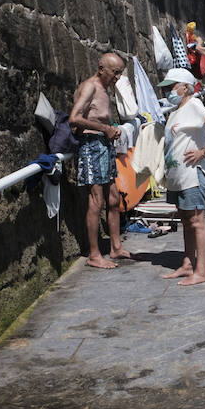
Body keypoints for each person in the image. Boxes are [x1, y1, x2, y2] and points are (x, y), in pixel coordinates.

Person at [160, 68, 205, 286]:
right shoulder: (176, 110)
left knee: (197, 221)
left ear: (184, 87)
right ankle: (188, 264)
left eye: (171, 86)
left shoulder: (194, 105)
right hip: (178, 175)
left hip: (192, 174)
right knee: (186, 220)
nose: (169, 91)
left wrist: (203, 151)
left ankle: (202, 270)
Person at [70, 52, 132, 269]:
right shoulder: (90, 87)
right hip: (92, 146)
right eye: (115, 73)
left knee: (113, 198)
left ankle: (115, 247)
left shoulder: (104, 89)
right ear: (101, 69)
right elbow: (74, 118)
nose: (117, 78)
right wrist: (105, 128)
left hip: (104, 146)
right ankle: (94, 254)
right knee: (96, 201)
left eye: (120, 74)